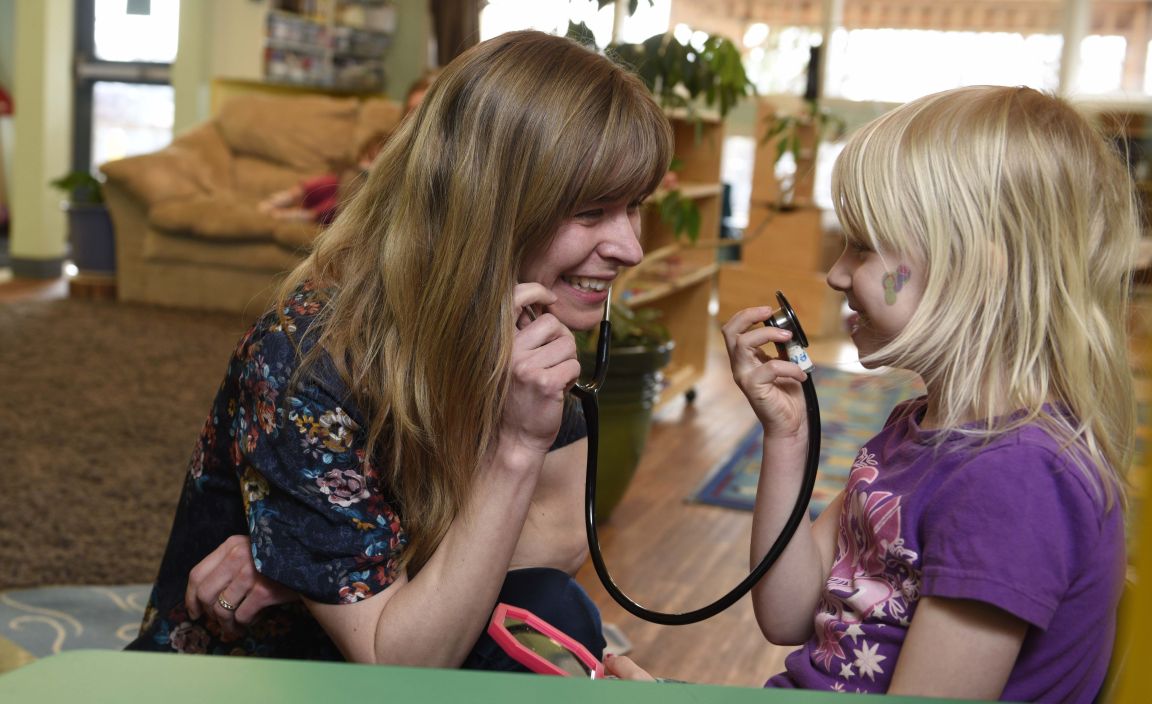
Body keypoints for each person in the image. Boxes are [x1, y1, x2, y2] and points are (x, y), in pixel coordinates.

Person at [126, 29, 674, 669]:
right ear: (488, 204)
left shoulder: (531, 321)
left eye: (633, 207)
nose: (631, 248)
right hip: (257, 678)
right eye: (592, 212)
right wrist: (515, 450)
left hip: (397, 635)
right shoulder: (307, 357)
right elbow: (402, 666)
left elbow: (554, 541)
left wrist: (318, 563)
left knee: (552, 607)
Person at [609, 85, 1137, 701]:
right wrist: (788, 435)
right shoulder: (915, 433)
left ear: (977, 271)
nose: (835, 274)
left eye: (861, 245)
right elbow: (787, 615)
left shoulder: (1014, 481)